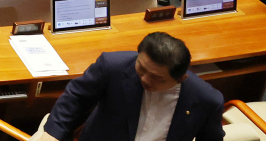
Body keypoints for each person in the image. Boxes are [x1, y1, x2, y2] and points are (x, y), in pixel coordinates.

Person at [43, 33, 223, 141]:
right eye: (141, 68)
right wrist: (52, 134)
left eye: (156, 78)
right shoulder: (112, 66)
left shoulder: (206, 99)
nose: (144, 78)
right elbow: (76, 97)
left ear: (180, 78)